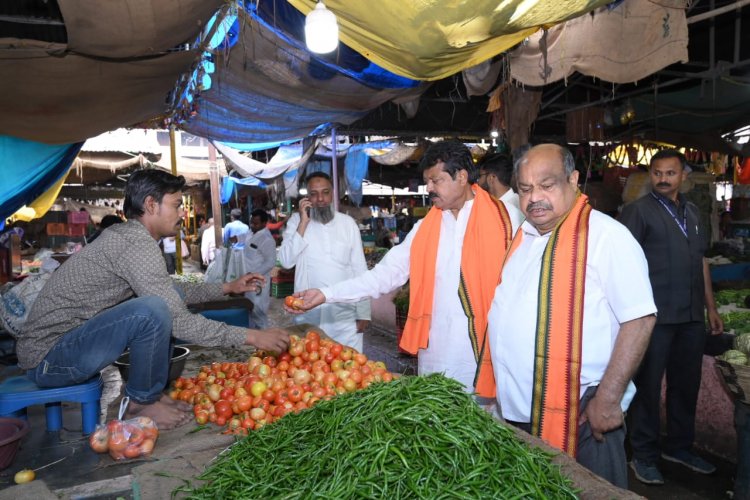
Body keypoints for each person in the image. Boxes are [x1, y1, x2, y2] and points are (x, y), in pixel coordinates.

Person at [17, 170, 290, 430]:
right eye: (175, 205)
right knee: (154, 310)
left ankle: (150, 394)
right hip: (49, 360)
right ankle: (141, 402)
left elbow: (170, 290)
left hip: (60, 351)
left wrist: (228, 287)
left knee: (160, 302)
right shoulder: (135, 244)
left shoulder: (132, 238)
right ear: (150, 205)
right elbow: (178, 321)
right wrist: (254, 337)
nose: (182, 212)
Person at [285, 140, 523, 397]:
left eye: (436, 180)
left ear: (462, 177)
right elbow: (383, 275)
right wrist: (326, 294)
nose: (429, 188)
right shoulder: (425, 228)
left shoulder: (508, 219)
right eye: (427, 181)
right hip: (437, 355)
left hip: (487, 354)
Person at [487, 143, 657, 488]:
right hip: (521, 414)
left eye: (547, 185)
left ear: (574, 180)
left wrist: (608, 400)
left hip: (580, 415)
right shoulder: (525, 239)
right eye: (525, 188)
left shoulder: (606, 236)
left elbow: (640, 319)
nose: (535, 197)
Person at [620, 149, 723, 485]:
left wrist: (711, 308)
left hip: (691, 316)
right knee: (647, 388)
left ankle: (679, 447)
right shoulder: (638, 212)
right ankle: (643, 455)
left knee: (685, 386)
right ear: (651, 176)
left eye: (670, 173)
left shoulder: (693, 212)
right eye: (657, 173)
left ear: (683, 176)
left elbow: (701, 261)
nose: (662, 179)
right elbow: (621, 265)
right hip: (654, 317)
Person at [278, 172, 371, 351]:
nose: (320, 198)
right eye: (314, 194)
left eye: (325, 192)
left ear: (333, 194)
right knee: (311, 370)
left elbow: (360, 269)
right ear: (307, 197)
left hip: (344, 316)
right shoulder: (297, 223)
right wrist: (303, 223)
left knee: (350, 369)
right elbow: (286, 262)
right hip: (308, 316)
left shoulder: (348, 224)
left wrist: (364, 312)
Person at [243, 209, 276, 329]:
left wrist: (254, 274)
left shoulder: (267, 240)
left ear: (264, 223)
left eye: (256, 223)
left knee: (259, 312)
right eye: (251, 222)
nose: (252, 225)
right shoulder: (251, 232)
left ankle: (264, 339)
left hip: (259, 282)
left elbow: (270, 262)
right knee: (250, 310)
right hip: (247, 279)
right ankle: (254, 339)